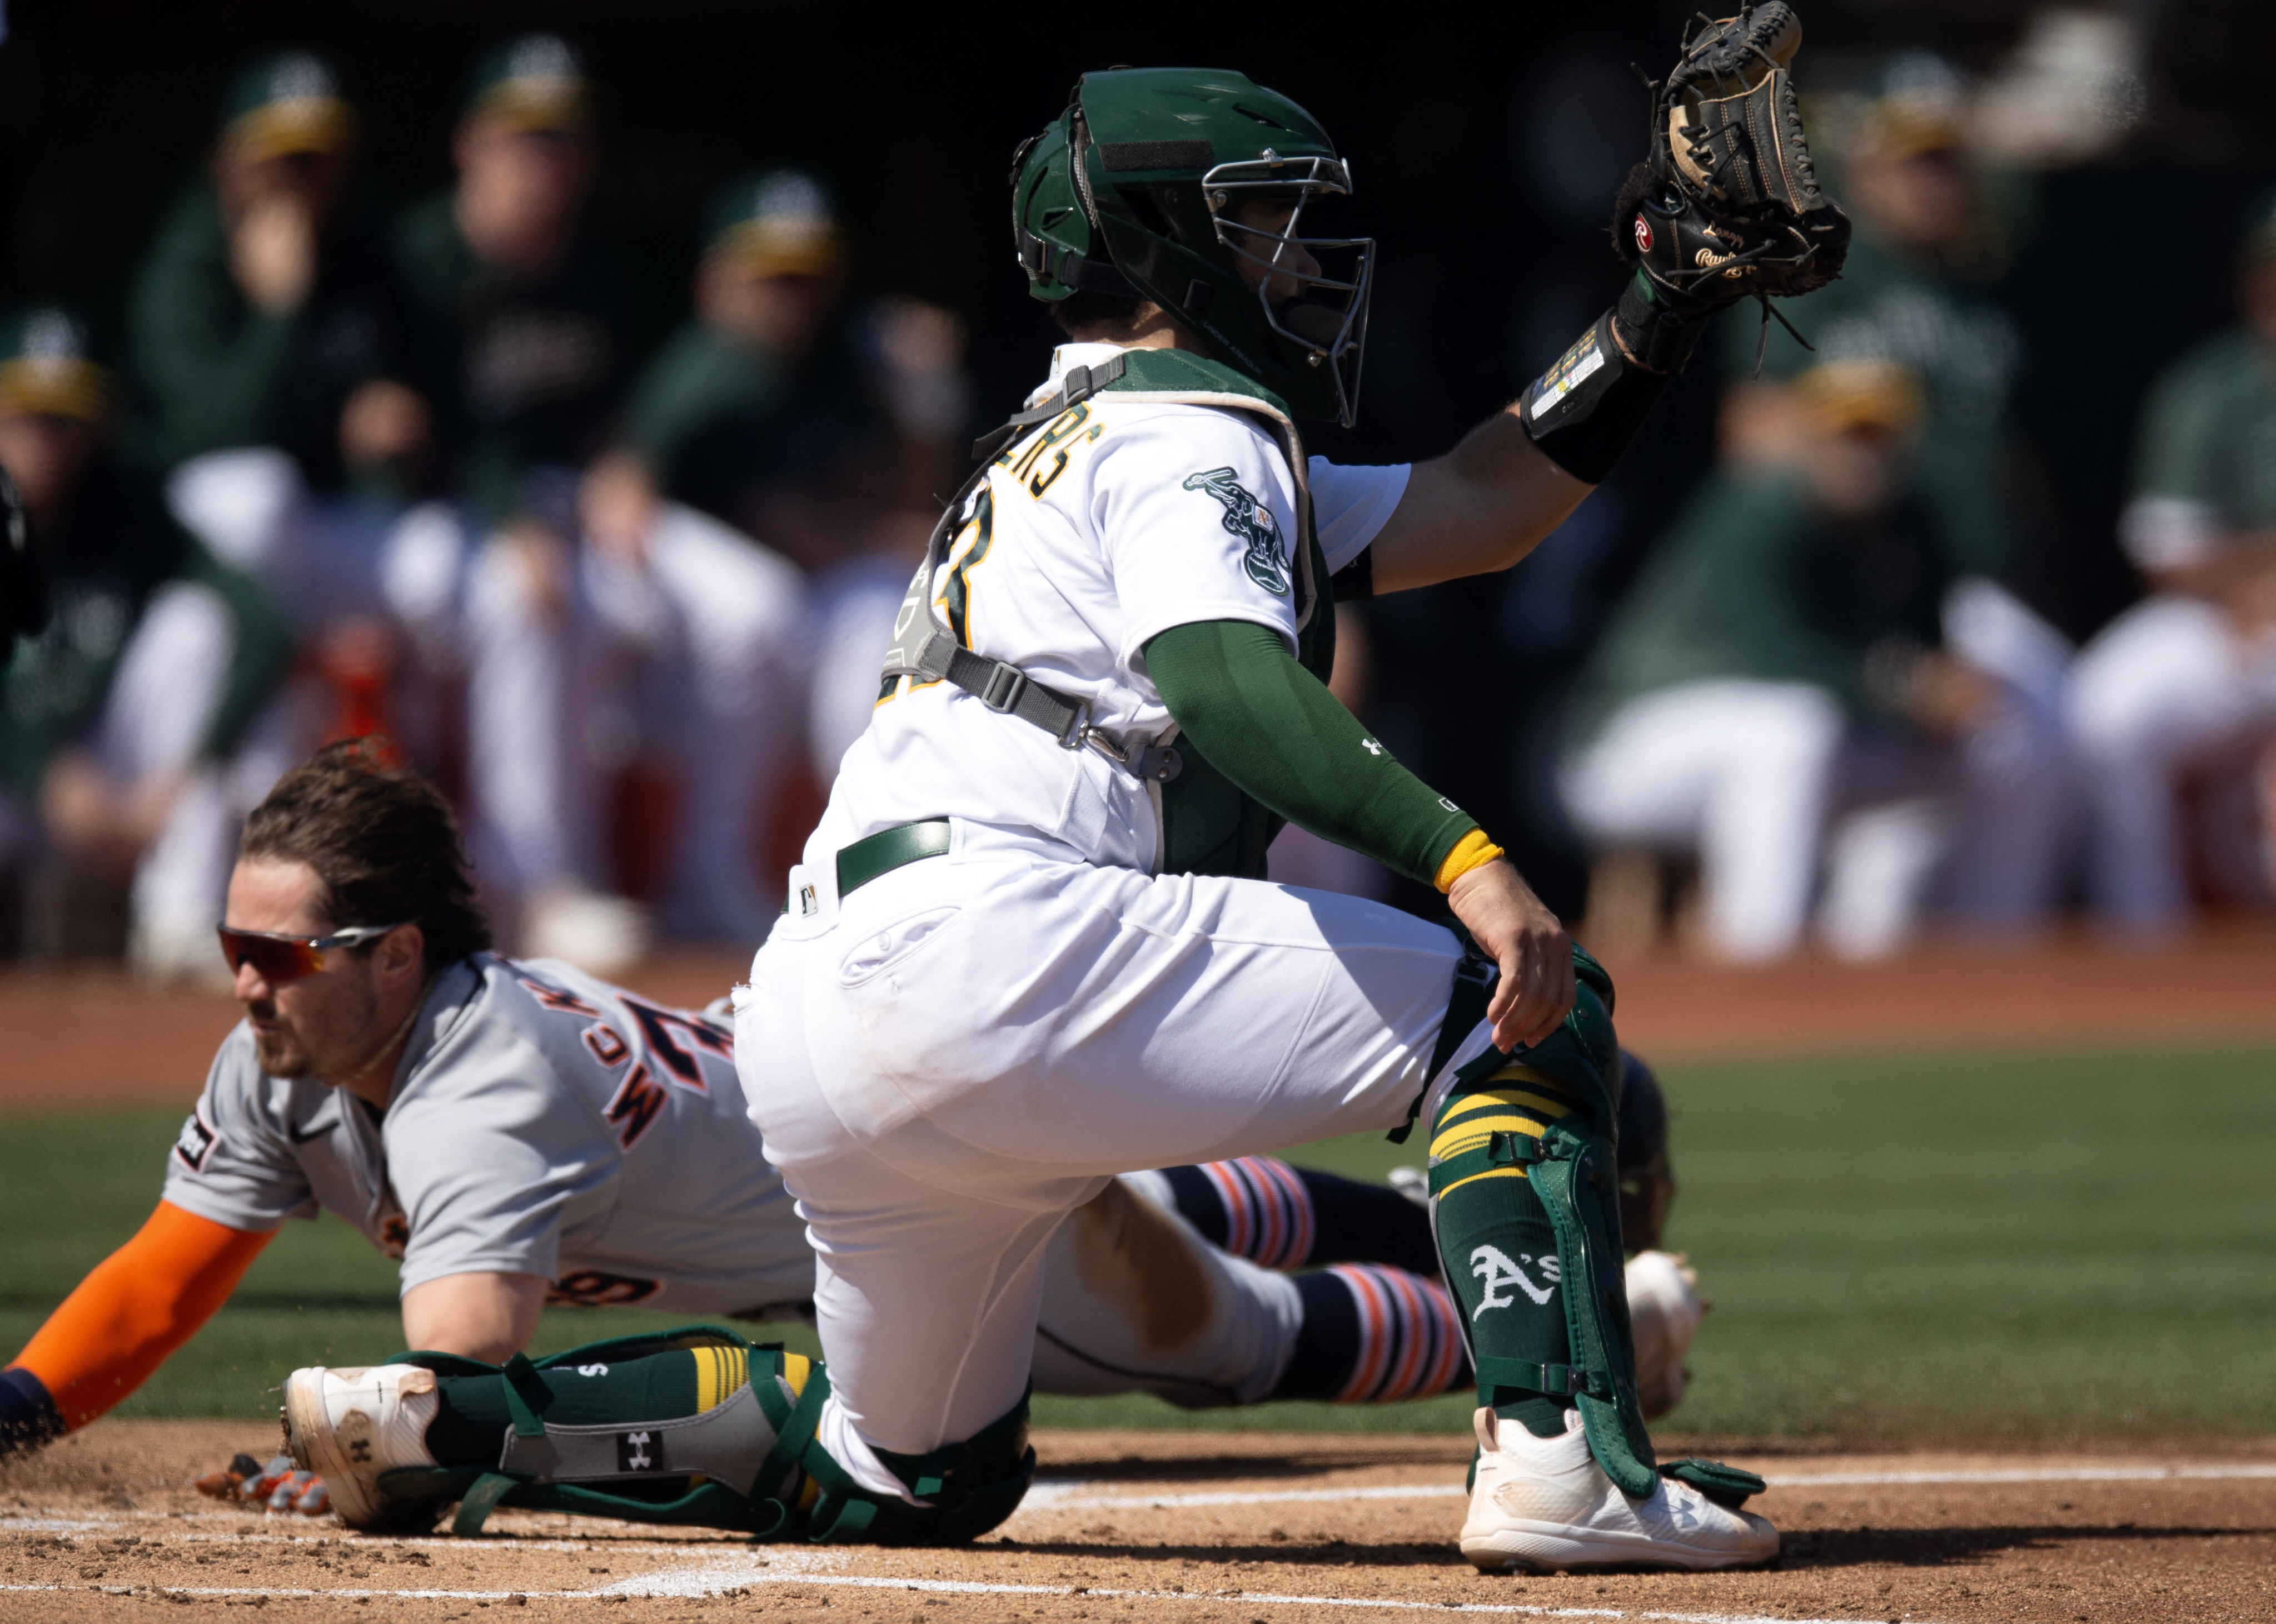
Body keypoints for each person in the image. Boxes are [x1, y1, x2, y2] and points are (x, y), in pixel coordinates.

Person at [738, 63, 1790, 1567]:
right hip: (1002, 945)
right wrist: (1462, 854)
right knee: (1522, 1020)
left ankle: (458, 1424)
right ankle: (1557, 1468)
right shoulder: (1189, 430)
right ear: (1161, 239)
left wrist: (1657, 309)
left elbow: (1476, 502)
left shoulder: (1070, 435)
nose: (1300, 256)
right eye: (1259, 222)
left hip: (821, 1014)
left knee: (911, 1475)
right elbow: (1222, 677)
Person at [0, 743, 1706, 1527]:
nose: (233, 985)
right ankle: (1450, 1213)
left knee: (1226, 1338)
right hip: (881, 1126)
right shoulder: (299, 1055)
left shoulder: (473, 1079)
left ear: (389, 955)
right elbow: (168, 1272)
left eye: (271, 953)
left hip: (894, 1205)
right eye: (232, 947)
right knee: (1164, 1201)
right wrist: (23, 1404)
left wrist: (383, 1456)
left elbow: (458, 1379)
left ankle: (1604, 1321)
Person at [1565, 358, 2068, 960]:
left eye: (1881, 433)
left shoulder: (1912, 518)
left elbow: (1918, 654)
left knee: (2008, 729)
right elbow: (1775, 654)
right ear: (1809, 437)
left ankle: (1992, 957)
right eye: (1847, 433)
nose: (1865, 452)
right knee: (1793, 733)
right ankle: (1763, 973)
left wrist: (1949, 687)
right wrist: (1909, 690)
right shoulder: (1757, 509)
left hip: (1801, 749)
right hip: (1631, 751)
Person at [0, 307, 291, 972]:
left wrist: (180, 778)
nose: (46, 439)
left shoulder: (128, 513)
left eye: (64, 421)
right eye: (25, 417)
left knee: (193, 627)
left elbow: (264, 625)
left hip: (115, 776)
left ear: (98, 427)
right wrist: (41, 771)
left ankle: (175, 925)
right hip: (19, 779)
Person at [2069, 197, 2276, 935]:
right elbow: (2167, 553)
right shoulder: (2210, 388)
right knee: (2108, 705)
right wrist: (2256, 578)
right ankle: (2143, 942)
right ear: (2255, 285)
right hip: (2230, 620)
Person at [127, 51, 421, 498]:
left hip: (327, 499)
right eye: (285, 159)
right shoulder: (186, 269)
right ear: (227, 164)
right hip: (192, 518)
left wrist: (389, 407)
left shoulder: (365, 243)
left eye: (322, 157)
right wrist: (278, 309)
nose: (304, 182)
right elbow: (222, 437)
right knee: (258, 490)